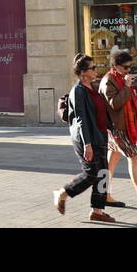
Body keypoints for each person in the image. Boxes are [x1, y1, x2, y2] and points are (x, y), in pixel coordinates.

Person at [52, 54, 117, 223]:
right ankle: (63, 192)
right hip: (85, 139)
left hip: (100, 136)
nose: (96, 70)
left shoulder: (92, 87)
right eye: (93, 68)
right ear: (83, 72)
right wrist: (87, 144)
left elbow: (100, 113)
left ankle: (98, 211)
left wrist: (109, 130)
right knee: (91, 173)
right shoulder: (78, 90)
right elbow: (81, 119)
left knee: (103, 173)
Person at [99, 49, 137, 209]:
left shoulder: (118, 79)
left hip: (121, 125)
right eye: (126, 67)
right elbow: (114, 103)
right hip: (117, 128)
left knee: (110, 162)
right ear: (116, 66)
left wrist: (134, 98)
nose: (128, 70)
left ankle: (103, 194)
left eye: (130, 67)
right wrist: (126, 87)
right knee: (135, 157)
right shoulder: (108, 81)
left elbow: (123, 101)